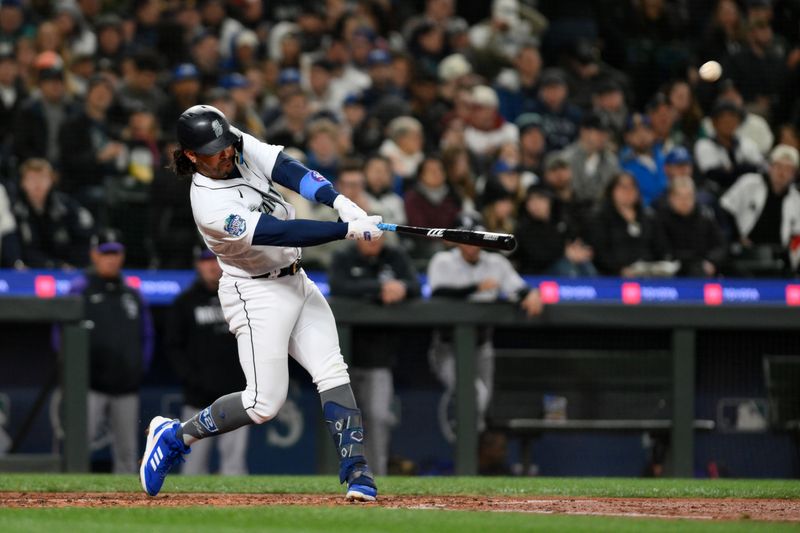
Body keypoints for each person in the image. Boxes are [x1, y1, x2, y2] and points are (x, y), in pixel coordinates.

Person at [140, 105, 383, 502]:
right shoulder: (208, 206)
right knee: (262, 403)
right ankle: (174, 435)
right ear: (190, 156)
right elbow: (279, 232)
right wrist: (346, 230)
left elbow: (285, 167)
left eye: (225, 143)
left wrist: (338, 201)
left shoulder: (231, 142)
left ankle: (356, 470)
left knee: (332, 370)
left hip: (295, 279)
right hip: (255, 293)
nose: (226, 152)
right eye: (213, 149)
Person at [427, 214, 542, 439]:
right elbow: (438, 292)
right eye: (466, 238)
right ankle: (459, 439)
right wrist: (476, 288)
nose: (471, 244)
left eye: (476, 237)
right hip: (448, 345)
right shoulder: (442, 261)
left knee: (482, 400)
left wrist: (531, 294)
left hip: (481, 345)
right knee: (472, 392)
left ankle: (470, 450)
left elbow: (519, 289)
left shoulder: (496, 262)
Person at [328, 236, 421, 477]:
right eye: (367, 235)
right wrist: (378, 289)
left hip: (379, 355)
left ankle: (375, 476)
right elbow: (337, 286)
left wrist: (400, 288)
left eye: (377, 234)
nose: (373, 240)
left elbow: (415, 286)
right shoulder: (344, 256)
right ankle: (344, 474)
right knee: (344, 421)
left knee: (379, 418)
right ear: (358, 235)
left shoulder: (394, 256)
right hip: (342, 358)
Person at [71, 229, 154, 473]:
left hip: (126, 386)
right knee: (78, 446)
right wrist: (75, 374)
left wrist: (138, 368)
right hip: (89, 386)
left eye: (115, 253)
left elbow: (147, 336)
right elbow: (61, 334)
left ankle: (127, 505)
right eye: (106, 253)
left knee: (127, 452)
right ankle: (67, 498)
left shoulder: (132, 294)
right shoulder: (81, 290)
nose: (111, 258)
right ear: (94, 255)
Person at [166, 246, 249, 475]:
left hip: (235, 396)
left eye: (216, 260)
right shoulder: (185, 302)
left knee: (234, 467)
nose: (212, 266)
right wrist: (192, 379)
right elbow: (174, 347)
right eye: (206, 260)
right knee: (193, 467)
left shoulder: (240, 296)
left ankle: (240, 511)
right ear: (198, 265)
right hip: (198, 398)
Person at [720, 144, 800, 275]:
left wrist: (792, 254)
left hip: (778, 256)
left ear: (794, 174)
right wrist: (737, 237)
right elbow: (726, 208)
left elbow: (797, 234)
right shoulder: (749, 183)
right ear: (770, 167)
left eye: (788, 169)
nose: (782, 173)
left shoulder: (797, 199)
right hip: (745, 250)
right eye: (778, 166)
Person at [11, 158, 94, 268]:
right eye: (32, 178)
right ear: (23, 182)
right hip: (29, 270)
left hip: (67, 268)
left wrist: (75, 266)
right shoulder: (14, 210)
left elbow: (82, 240)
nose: (37, 184)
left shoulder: (66, 206)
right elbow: (15, 246)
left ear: (52, 180)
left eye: (42, 178)